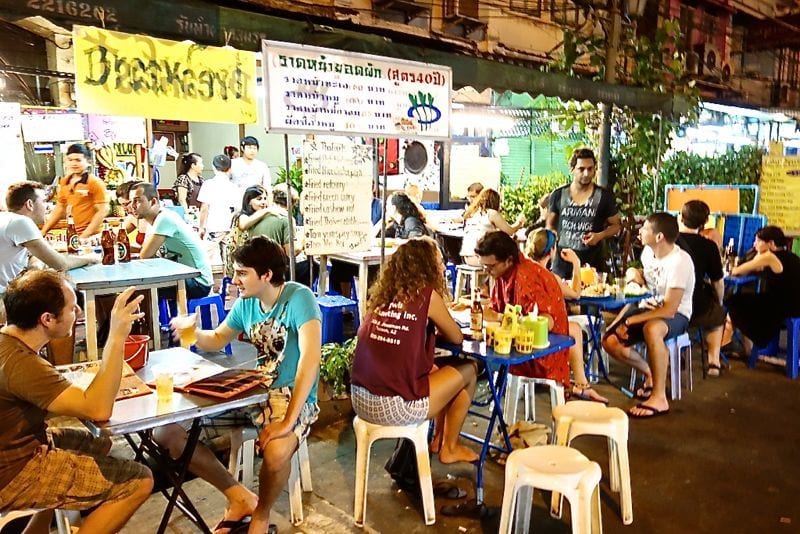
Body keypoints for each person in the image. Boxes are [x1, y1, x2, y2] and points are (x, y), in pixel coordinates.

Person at [170, 236, 322, 534]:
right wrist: (191, 333)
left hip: (294, 396)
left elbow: (310, 360)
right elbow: (217, 339)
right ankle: (238, 496)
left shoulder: (299, 298)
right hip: (253, 391)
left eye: (242, 273)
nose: (235, 279)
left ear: (266, 275)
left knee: (277, 453)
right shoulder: (246, 303)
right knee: (170, 433)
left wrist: (289, 420)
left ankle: (261, 515)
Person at [0, 273, 153, 532]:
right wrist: (116, 336)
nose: (78, 311)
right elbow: (98, 408)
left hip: (21, 445)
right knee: (138, 481)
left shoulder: (10, 343)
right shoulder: (21, 363)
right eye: (72, 307)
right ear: (47, 319)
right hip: (11, 471)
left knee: (98, 443)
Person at [350, 237, 478, 464]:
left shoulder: (382, 297)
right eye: (438, 262)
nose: (441, 267)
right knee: (469, 369)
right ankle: (449, 446)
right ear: (427, 266)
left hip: (360, 399)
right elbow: (456, 336)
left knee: (439, 370)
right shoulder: (426, 296)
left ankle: (439, 439)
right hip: (394, 406)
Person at [602, 213, 694, 418]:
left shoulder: (680, 262)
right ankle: (651, 373)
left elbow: (669, 309)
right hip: (648, 308)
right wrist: (636, 275)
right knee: (610, 341)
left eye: (645, 228)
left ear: (659, 236)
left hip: (676, 314)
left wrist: (631, 319)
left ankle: (659, 397)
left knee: (652, 329)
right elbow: (650, 278)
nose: (640, 231)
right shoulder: (647, 253)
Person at [474, 231, 571, 386]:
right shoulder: (503, 272)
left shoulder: (526, 278)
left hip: (541, 355)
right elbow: (496, 311)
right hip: (521, 346)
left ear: (508, 261)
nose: (487, 271)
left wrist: (513, 320)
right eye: (484, 266)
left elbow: (548, 322)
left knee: (473, 366)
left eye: (491, 266)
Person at [526, 228, 608, 403]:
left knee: (571, 327)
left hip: (526, 328)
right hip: (540, 334)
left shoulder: (525, 272)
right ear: (552, 251)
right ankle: (582, 383)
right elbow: (576, 294)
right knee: (574, 329)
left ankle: (578, 382)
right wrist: (576, 263)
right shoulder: (549, 277)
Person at [1, 181, 97, 296]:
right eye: (44, 201)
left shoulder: (7, 220)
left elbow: (34, 257)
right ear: (29, 204)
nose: (47, 206)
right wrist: (91, 258)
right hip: (5, 299)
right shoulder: (20, 222)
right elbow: (60, 264)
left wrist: (36, 264)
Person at [546, 147, 621, 279]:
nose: (586, 173)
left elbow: (616, 226)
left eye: (590, 169)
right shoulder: (558, 195)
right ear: (572, 169)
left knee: (593, 296)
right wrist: (553, 235)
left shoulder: (604, 196)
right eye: (581, 169)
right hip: (563, 264)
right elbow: (549, 225)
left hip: (592, 262)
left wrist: (599, 236)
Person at [130, 183, 213, 299]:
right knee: (137, 287)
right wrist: (122, 246)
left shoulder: (165, 219)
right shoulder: (153, 221)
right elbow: (146, 249)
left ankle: (155, 317)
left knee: (139, 290)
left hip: (198, 281)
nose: (132, 206)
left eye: (137, 201)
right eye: (131, 202)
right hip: (180, 276)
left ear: (153, 202)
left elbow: (145, 255)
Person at [726, 225, 800, 355]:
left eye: (758, 241)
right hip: (793, 302)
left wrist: (758, 256)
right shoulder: (790, 256)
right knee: (745, 301)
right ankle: (747, 346)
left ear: (771, 243)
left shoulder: (769, 257)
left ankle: (748, 345)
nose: (754, 244)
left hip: (785, 305)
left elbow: (737, 271)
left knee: (734, 301)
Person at [676, 200, 726, 377]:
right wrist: (719, 301)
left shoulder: (667, 240)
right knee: (718, 315)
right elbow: (718, 282)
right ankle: (714, 362)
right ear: (705, 223)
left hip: (668, 305)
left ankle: (677, 353)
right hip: (696, 305)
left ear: (681, 218)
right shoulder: (709, 246)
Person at [41, 143, 110, 239]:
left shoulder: (94, 182)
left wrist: (85, 235)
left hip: (94, 236)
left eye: (78, 160)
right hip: (74, 234)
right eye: (70, 160)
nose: (74, 164)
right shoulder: (65, 182)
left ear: (88, 161)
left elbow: (102, 211)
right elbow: (60, 209)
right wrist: (43, 232)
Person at [460, 188, 525, 266]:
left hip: (466, 257)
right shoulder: (491, 213)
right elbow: (509, 231)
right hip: (480, 257)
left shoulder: (472, 214)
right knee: (508, 261)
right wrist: (519, 223)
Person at [198, 154, 240, 242]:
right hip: (229, 227)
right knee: (227, 254)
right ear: (230, 169)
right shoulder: (234, 187)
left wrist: (201, 227)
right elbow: (238, 209)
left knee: (210, 254)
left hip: (213, 227)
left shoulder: (208, 184)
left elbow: (204, 208)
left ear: (213, 167)